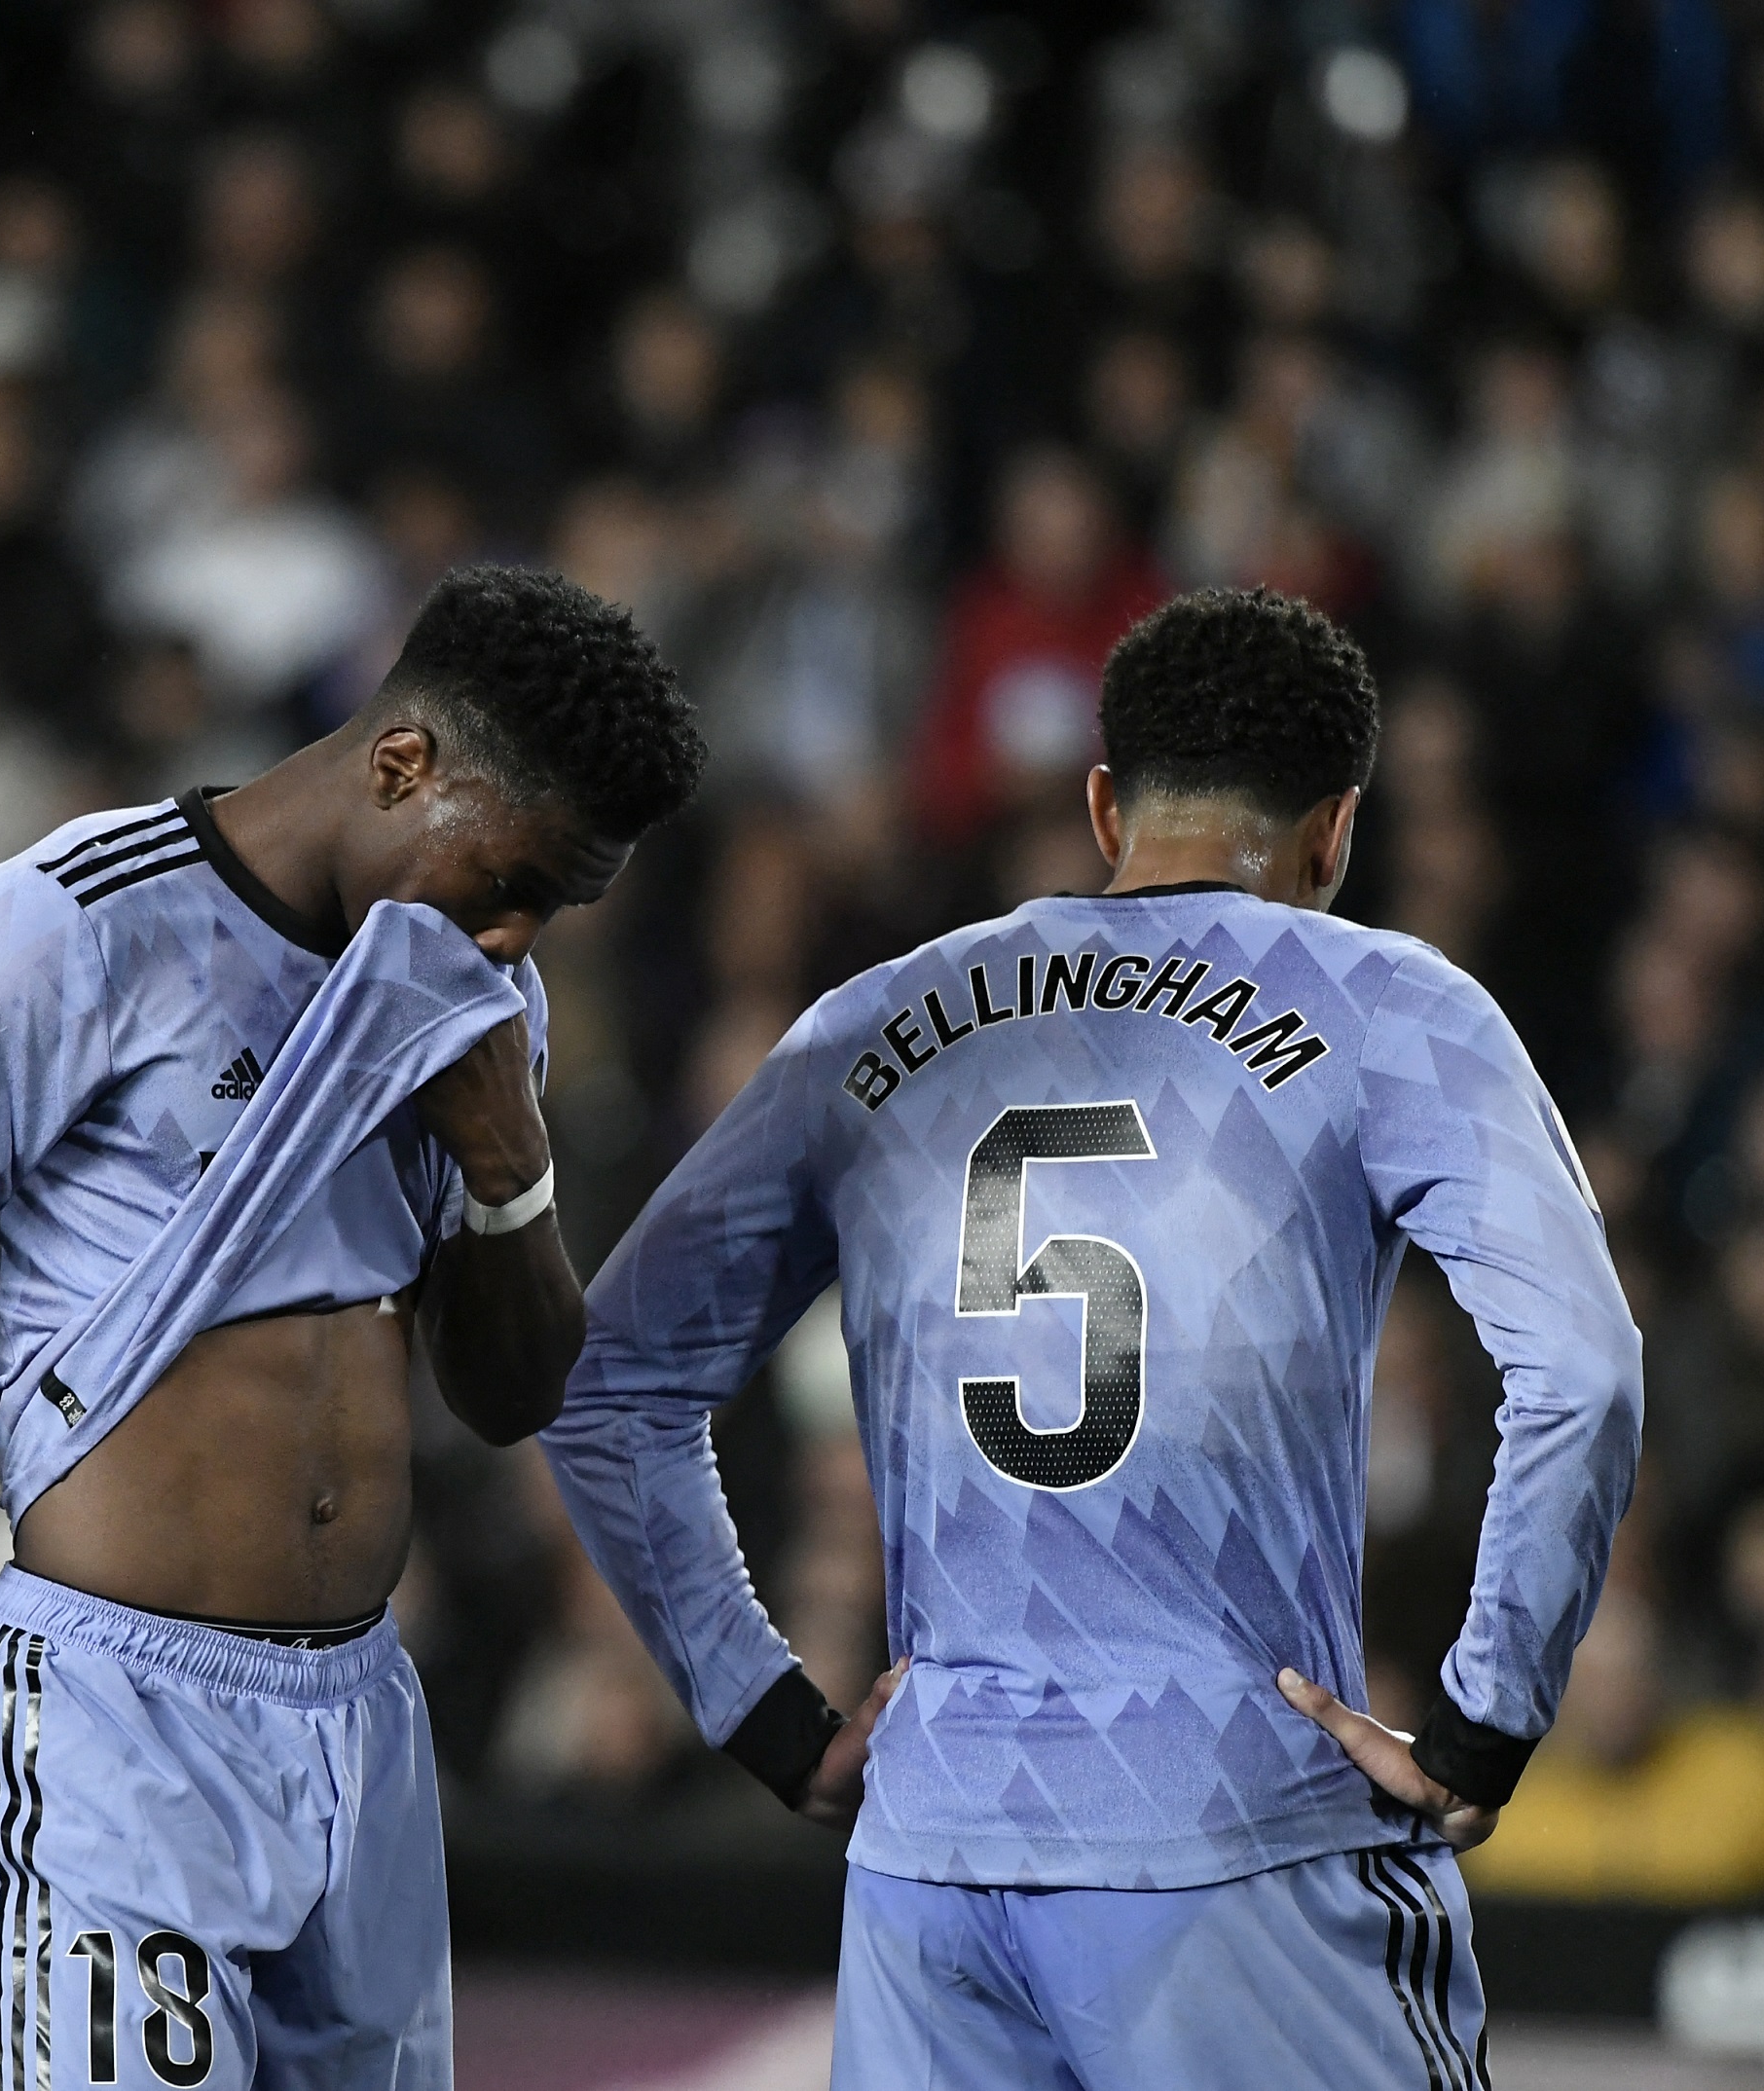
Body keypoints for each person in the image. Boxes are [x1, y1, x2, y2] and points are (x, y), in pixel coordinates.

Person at [542, 586, 1642, 2088]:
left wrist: (765, 1711)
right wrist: (1483, 1721)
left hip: (933, 1857)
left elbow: (605, 1382)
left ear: (1105, 800)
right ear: (1335, 830)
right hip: (1230, 1835)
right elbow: (1579, 1371)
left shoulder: (871, 1022)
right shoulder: (1391, 1005)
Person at [0, 565, 707, 2087]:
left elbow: (510, 1390)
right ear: (402, 761)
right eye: (509, 879)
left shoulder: (481, 1000)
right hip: (110, 1718)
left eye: (557, 909)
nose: (516, 934)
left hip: (360, 1723)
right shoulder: (60, 930)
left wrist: (509, 1169)